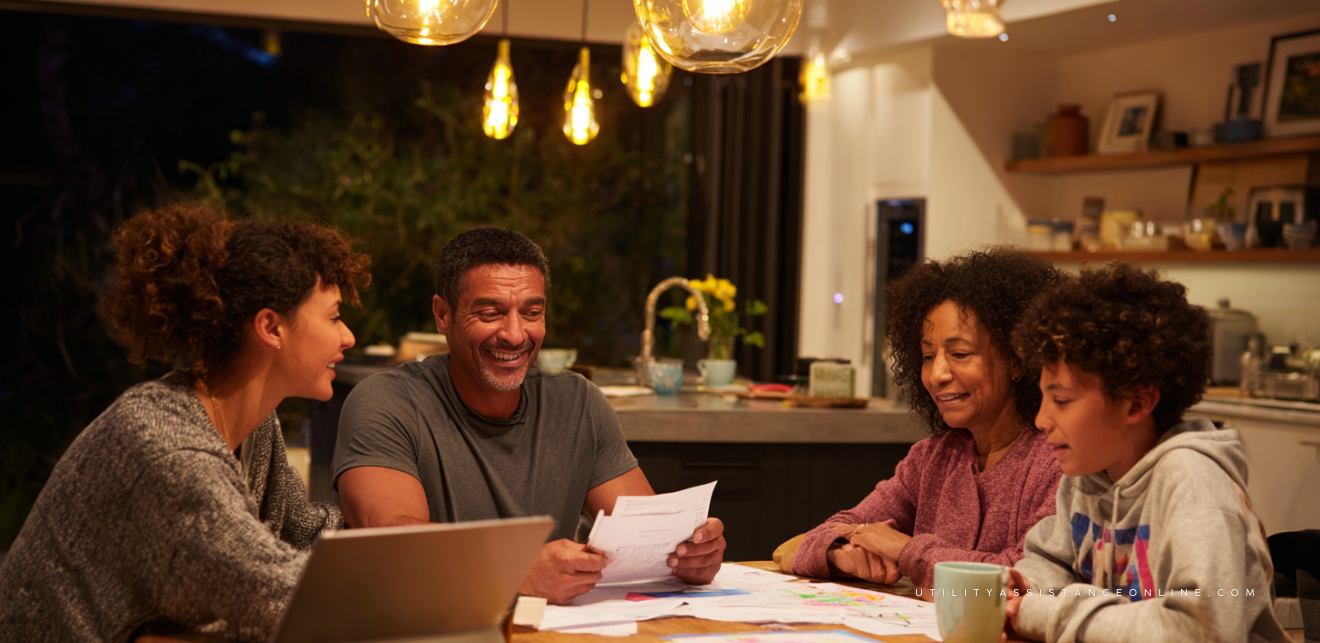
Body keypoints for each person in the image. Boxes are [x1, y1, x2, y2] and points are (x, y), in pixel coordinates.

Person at [0, 204, 370, 641]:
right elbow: (276, 592)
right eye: (332, 316)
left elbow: (301, 533)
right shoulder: (167, 448)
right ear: (271, 327)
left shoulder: (255, 425)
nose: (348, 336)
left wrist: (396, 529)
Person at [332, 226, 725, 604]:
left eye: (532, 312)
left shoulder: (578, 403)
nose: (515, 335)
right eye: (490, 313)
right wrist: (515, 572)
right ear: (442, 314)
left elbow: (647, 538)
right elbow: (389, 543)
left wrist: (690, 555)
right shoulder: (387, 401)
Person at [1005, 263, 1287, 642]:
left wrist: (1043, 614)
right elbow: (1051, 560)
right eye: (1043, 397)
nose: (1041, 418)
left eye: (1062, 400)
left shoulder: (1193, 484)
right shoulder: (1088, 475)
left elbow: (1200, 631)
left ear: (1136, 404)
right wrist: (1021, 589)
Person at [789, 248, 1063, 592]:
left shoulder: (1057, 460)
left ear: (1019, 359)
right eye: (928, 356)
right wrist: (841, 553)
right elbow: (820, 536)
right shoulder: (934, 458)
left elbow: (1026, 578)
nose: (937, 374)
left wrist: (907, 551)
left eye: (960, 354)